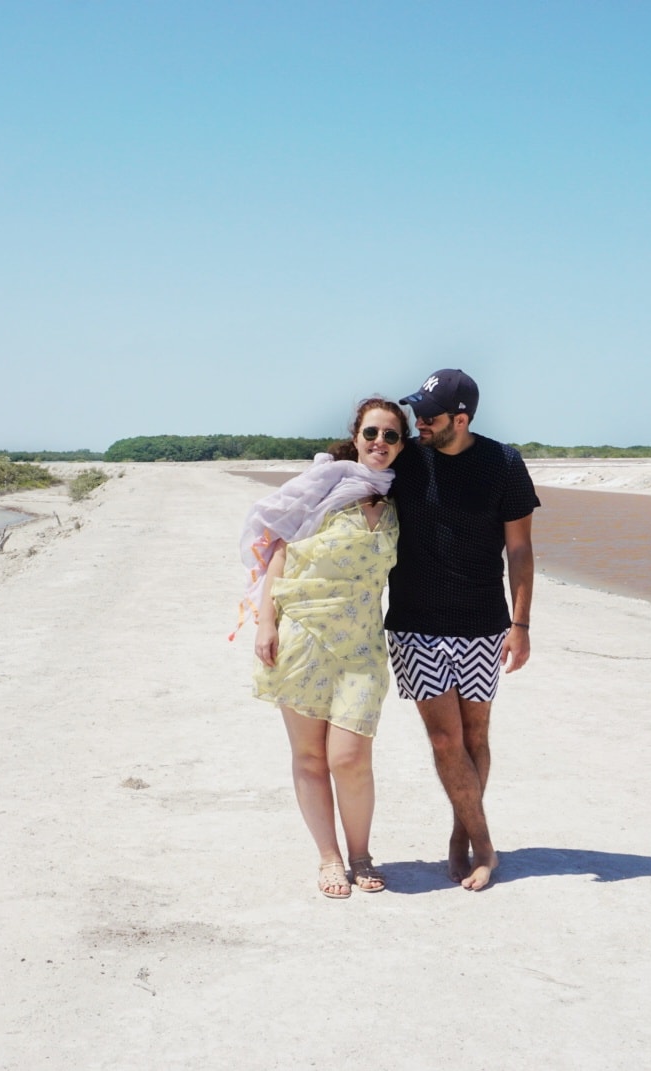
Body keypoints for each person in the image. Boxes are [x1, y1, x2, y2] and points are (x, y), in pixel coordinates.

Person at [242, 398, 409, 899]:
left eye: (391, 436)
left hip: (361, 647)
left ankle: (361, 853)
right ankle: (330, 857)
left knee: (351, 756)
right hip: (304, 638)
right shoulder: (325, 489)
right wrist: (265, 623)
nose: (380, 443)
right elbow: (280, 553)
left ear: (402, 445)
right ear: (356, 436)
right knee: (310, 757)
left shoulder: (404, 500)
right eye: (372, 433)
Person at [386, 369, 540, 891]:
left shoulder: (504, 464)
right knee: (446, 738)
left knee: (475, 735)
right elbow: (347, 478)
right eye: (415, 414)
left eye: (427, 417)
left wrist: (520, 624)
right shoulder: (405, 459)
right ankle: (486, 843)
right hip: (415, 624)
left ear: (461, 418)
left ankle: (461, 833)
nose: (417, 424)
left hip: (483, 623)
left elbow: (519, 548)